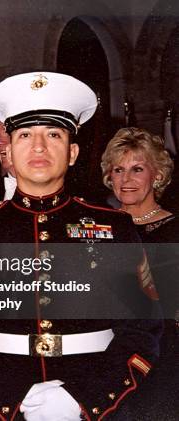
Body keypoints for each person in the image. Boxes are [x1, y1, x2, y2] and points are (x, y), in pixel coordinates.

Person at [0, 72, 161, 421]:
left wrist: (85, 397)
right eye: (25, 135)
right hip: (2, 403)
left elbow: (143, 329)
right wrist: (11, 396)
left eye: (53, 134)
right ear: (7, 150)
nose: (38, 147)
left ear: (72, 153)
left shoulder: (115, 227)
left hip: (95, 400)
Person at [101, 127, 178, 418]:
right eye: (118, 170)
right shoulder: (96, 227)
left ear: (157, 175)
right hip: (102, 353)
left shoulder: (174, 229)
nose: (126, 179)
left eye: (137, 169)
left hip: (164, 356)